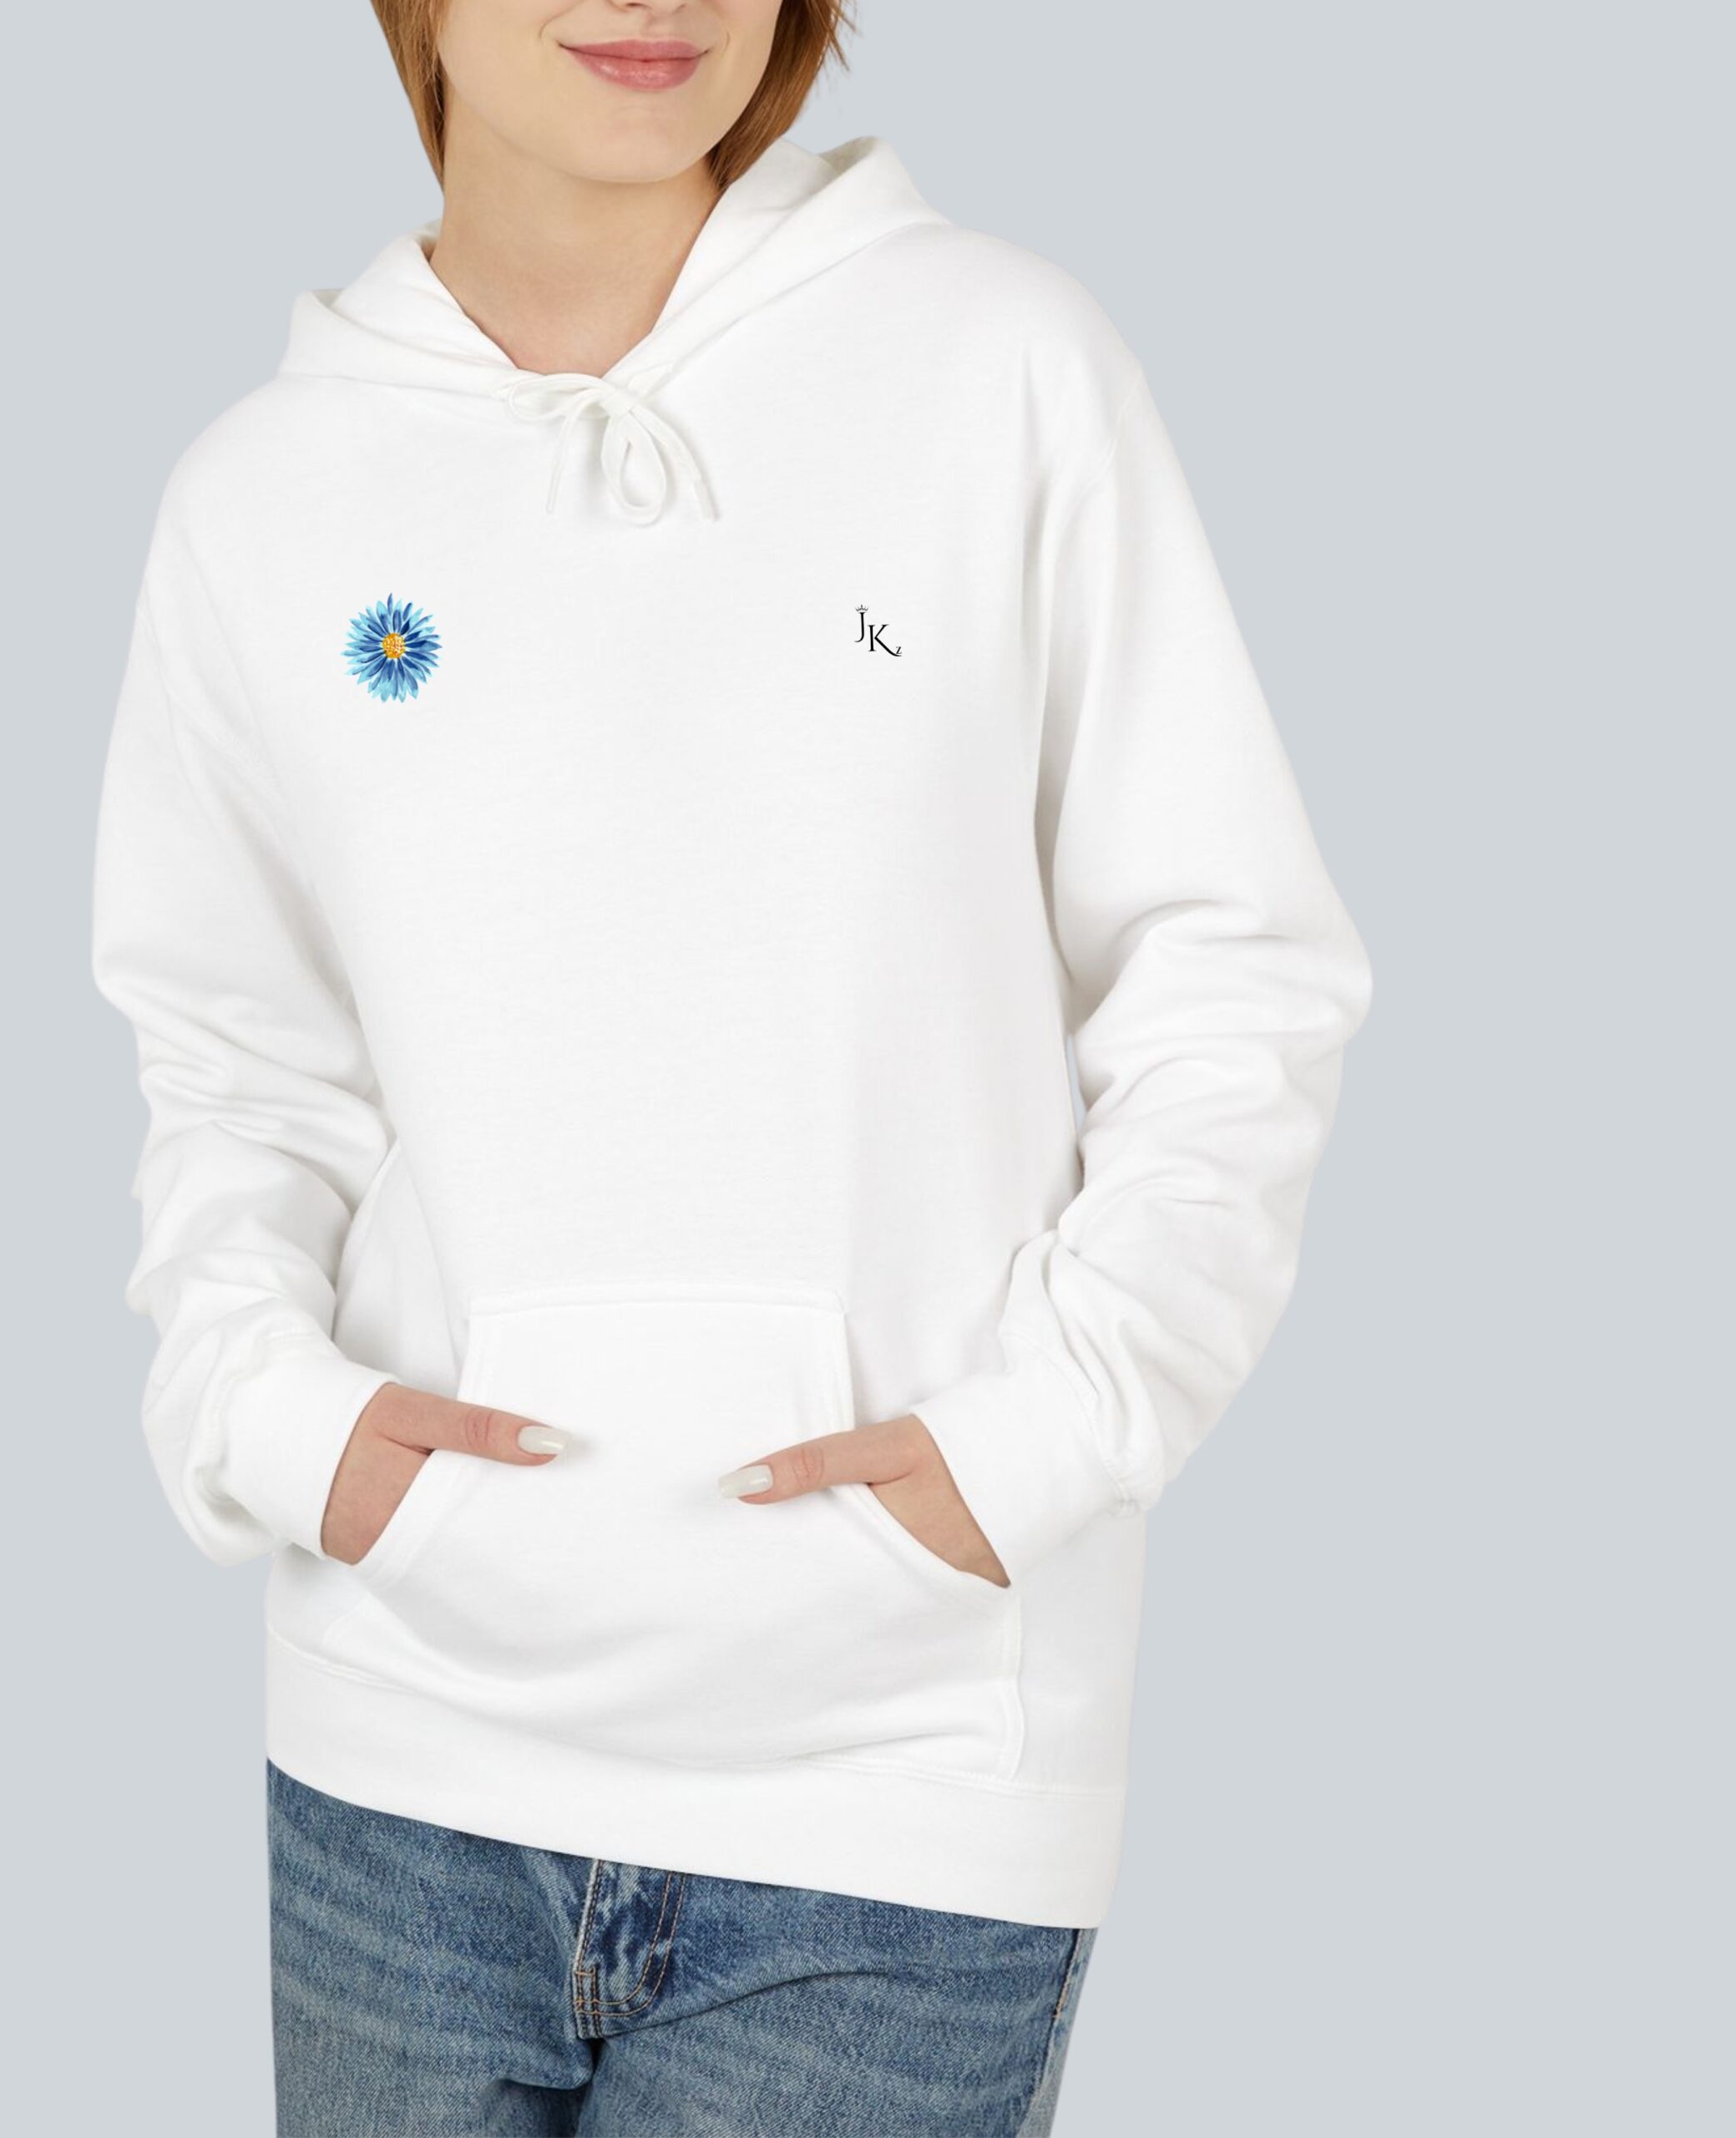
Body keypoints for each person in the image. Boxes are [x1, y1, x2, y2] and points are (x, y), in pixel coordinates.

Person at [89, 3, 1373, 2131]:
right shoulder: (261, 496)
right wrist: (283, 1428)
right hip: (401, 1753)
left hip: (896, 1785)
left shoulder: (998, 367)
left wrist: (1042, 1438)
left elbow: (1231, 967)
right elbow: (236, 1061)